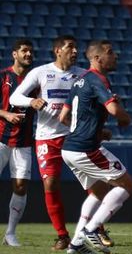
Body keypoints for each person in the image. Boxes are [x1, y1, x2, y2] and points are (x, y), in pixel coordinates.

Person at [9, 35, 86, 250]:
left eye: (76, 47)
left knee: (91, 181)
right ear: (57, 51)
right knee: (50, 183)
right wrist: (32, 101)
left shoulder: (82, 75)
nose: (75, 52)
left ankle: (95, 228)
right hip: (47, 138)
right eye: (70, 47)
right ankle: (62, 236)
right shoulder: (41, 72)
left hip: (74, 135)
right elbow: (15, 97)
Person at [58, 40, 132, 254]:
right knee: (126, 184)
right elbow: (112, 109)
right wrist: (125, 117)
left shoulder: (79, 81)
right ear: (97, 58)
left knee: (99, 190)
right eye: (111, 52)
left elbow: (64, 117)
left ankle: (76, 245)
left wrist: (97, 131)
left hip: (69, 149)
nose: (115, 56)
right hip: (85, 149)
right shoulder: (98, 79)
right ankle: (91, 229)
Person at [0, 39, 35, 246]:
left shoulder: (36, 80)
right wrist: (5, 115)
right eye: (24, 51)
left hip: (23, 142)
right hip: (1, 139)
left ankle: (10, 234)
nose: (28, 54)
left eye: (30, 51)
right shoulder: (3, 76)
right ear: (15, 54)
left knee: (21, 187)